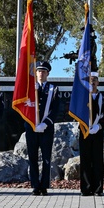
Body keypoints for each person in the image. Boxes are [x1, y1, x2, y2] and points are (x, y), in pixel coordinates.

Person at [25, 61, 58, 195]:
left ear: (48, 73)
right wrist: (32, 124)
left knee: (46, 158)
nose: (41, 73)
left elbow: (55, 110)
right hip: (31, 129)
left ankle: (44, 186)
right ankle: (35, 185)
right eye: (39, 71)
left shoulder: (53, 89)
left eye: (44, 71)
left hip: (46, 129)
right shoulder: (29, 89)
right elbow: (25, 108)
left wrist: (45, 123)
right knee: (32, 157)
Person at [79, 72, 104, 196]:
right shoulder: (82, 97)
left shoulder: (103, 97)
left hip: (97, 132)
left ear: (98, 82)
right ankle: (86, 188)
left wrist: (99, 126)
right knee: (85, 160)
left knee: (98, 160)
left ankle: (98, 189)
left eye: (94, 80)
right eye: (90, 80)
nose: (92, 83)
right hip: (84, 131)